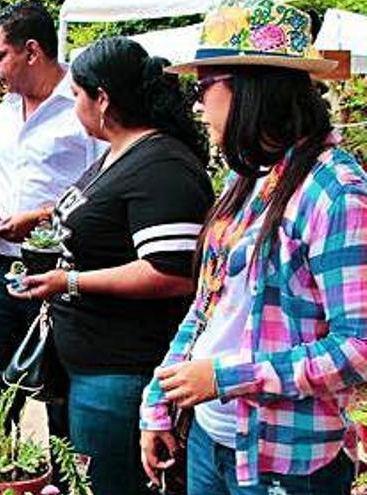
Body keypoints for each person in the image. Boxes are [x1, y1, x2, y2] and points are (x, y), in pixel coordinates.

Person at [140, 1, 365, 493]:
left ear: (249, 87)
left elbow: (358, 347)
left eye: (203, 87)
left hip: (287, 462)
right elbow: (208, 305)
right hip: (211, 441)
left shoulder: (335, 191)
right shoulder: (249, 178)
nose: (196, 107)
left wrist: (226, 377)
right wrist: (158, 401)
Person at [10, 37, 214, 495]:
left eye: (77, 96)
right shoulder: (118, 153)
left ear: (102, 98)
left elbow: (172, 272)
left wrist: (71, 281)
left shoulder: (162, 166)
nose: (73, 107)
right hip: (87, 364)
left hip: (121, 370)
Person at [0, 0, 105, 452]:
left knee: (59, 399)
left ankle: (62, 483)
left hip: (58, 277)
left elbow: (100, 189)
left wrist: (40, 217)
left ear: (31, 50)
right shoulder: (8, 108)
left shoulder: (83, 103)